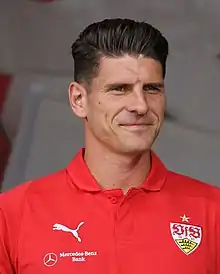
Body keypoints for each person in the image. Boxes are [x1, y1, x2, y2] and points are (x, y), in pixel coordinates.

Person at [0, 18, 219, 274]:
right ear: (79, 99)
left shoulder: (212, 211)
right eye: (120, 89)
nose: (140, 105)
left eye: (152, 88)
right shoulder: (12, 214)